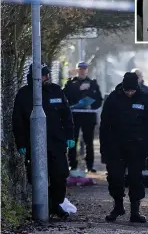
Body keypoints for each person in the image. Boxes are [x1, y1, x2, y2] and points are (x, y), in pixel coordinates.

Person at [12, 63, 75, 218]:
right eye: (41, 76)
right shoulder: (24, 94)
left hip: (56, 143)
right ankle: (45, 208)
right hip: (33, 144)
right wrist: (21, 143)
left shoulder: (55, 91)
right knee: (37, 178)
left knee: (60, 174)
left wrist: (69, 136)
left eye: (46, 76)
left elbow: (66, 116)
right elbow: (18, 121)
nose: (44, 79)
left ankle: (55, 204)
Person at [100, 72, 148, 223]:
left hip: (137, 148)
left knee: (135, 179)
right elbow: (104, 126)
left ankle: (135, 211)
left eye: (132, 90)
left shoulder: (145, 99)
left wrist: (147, 146)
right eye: (127, 91)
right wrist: (104, 149)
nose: (130, 93)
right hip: (115, 147)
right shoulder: (113, 99)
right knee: (115, 178)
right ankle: (118, 206)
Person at [64, 61, 103, 172]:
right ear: (77, 70)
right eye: (80, 69)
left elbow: (99, 99)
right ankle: (72, 165)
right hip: (74, 116)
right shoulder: (70, 84)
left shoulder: (93, 83)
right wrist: (78, 88)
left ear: (87, 70)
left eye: (84, 69)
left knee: (89, 142)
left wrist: (92, 106)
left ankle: (90, 166)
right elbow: (65, 97)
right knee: (72, 140)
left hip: (88, 117)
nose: (82, 71)